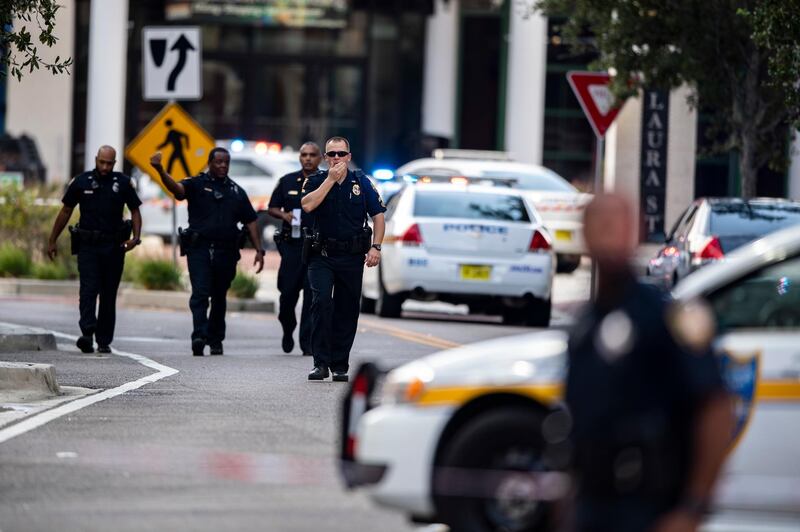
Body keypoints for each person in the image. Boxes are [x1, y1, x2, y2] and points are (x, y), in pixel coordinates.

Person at [565, 193, 733, 532]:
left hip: (648, 507)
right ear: (585, 235)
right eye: (600, 225)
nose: (608, 235)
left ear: (635, 232)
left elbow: (716, 410)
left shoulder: (668, 318)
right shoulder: (584, 328)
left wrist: (693, 506)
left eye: (617, 225)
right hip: (592, 506)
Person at [150, 147, 265, 356]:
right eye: (218, 162)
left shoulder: (236, 191)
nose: (222, 166)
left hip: (226, 251)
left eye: (226, 162)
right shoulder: (196, 184)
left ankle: (216, 339)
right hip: (199, 248)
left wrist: (259, 250)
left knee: (219, 296)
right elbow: (177, 190)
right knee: (201, 293)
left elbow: (251, 221)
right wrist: (160, 170)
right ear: (209, 163)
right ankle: (199, 336)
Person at [300, 136, 386, 382]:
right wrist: (330, 180)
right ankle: (320, 363)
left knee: (347, 310)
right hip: (322, 255)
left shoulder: (361, 182)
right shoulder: (316, 180)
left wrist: (376, 247)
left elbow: (378, 216)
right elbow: (307, 206)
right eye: (331, 154)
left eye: (340, 153)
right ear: (325, 158)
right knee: (322, 302)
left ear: (349, 156)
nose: (336, 158)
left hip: (351, 256)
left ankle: (339, 364)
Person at [47, 145, 142, 354]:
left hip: (114, 246)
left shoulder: (123, 183)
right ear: (96, 159)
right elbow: (65, 211)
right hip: (88, 245)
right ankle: (87, 333)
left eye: (109, 163)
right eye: (102, 162)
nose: (105, 167)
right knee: (88, 290)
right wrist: (52, 239)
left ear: (114, 163)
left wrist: (135, 239)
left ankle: (104, 340)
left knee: (108, 294)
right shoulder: (81, 182)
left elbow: (135, 210)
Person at [266, 142, 321, 356]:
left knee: (311, 297)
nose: (307, 158)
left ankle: (306, 342)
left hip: (316, 247)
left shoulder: (326, 181)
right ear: (300, 157)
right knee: (287, 295)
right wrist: (284, 215)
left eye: (312, 155)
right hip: (292, 246)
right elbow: (272, 207)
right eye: (304, 155)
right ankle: (288, 329)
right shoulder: (287, 181)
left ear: (320, 158)